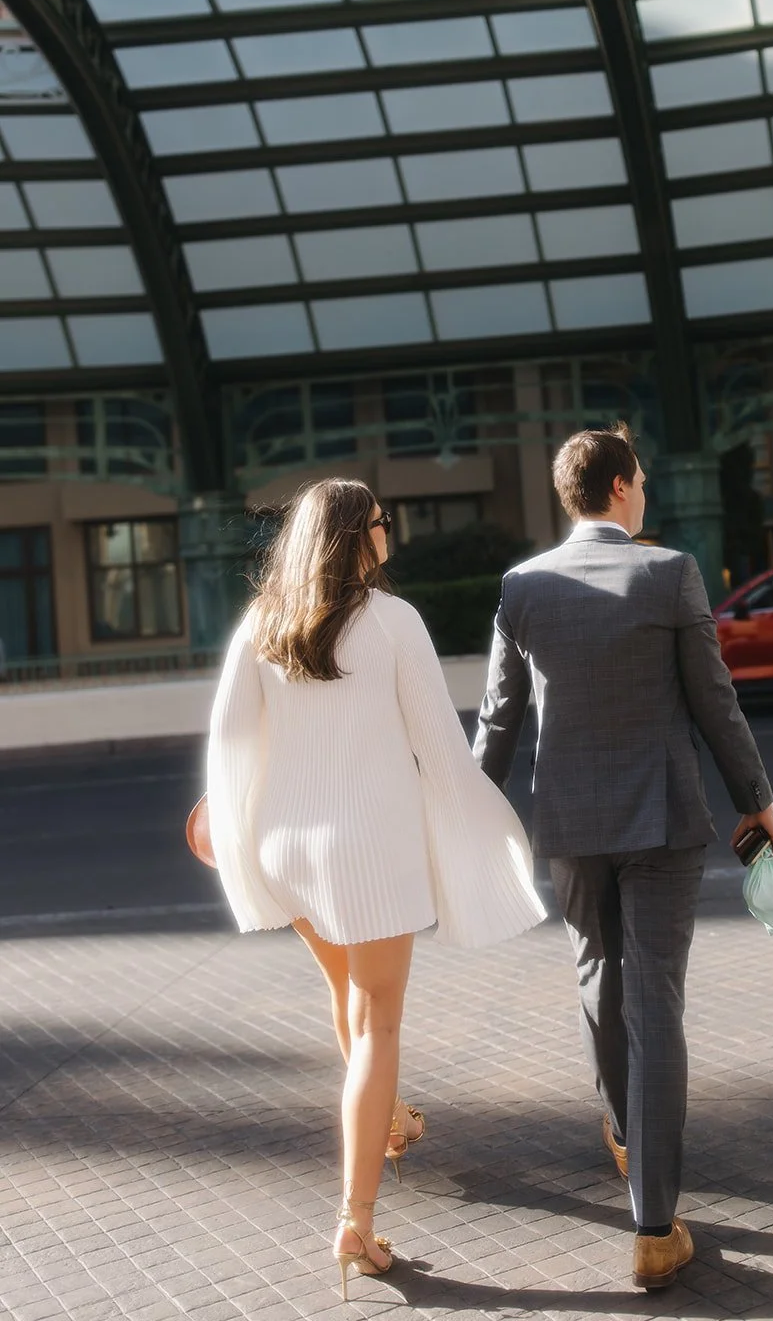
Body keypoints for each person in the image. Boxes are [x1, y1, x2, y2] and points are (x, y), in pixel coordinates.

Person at [206, 477, 545, 1300]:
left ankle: (389, 1121)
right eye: (384, 523)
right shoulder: (394, 622)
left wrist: (227, 827)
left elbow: (229, 740)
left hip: (289, 847)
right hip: (368, 850)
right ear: (360, 536)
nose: (391, 534)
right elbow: (439, 746)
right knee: (379, 1021)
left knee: (348, 998)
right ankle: (356, 1220)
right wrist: (494, 829)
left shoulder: (265, 622)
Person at [474, 425, 773, 1291]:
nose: (644, 490)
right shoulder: (667, 573)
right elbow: (713, 702)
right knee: (656, 1002)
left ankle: (621, 1133)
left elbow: (497, 721)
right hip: (662, 822)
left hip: (568, 825)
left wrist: (467, 814)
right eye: (639, 478)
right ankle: (652, 1225)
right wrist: (754, 799)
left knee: (596, 977)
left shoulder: (521, 586)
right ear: (617, 489)